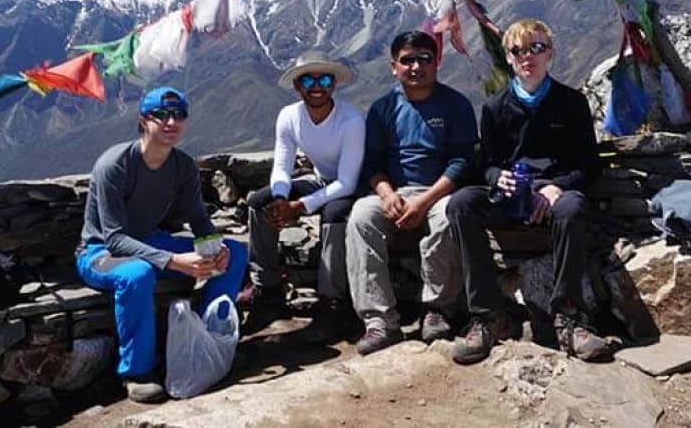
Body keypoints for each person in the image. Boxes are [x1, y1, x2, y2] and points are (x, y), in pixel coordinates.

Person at [447, 19, 612, 364]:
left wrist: (558, 187)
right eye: (518, 50)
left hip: (555, 192)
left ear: (550, 53)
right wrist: (498, 179)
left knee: (573, 208)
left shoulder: (572, 102)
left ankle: (569, 318)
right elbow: (487, 164)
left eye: (536, 47)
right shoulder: (495, 108)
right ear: (508, 57)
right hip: (513, 194)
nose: (528, 56)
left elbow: (589, 165)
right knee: (462, 203)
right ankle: (488, 316)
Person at [76, 87, 248, 404]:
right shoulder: (114, 165)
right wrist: (174, 261)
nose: (171, 122)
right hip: (100, 253)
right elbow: (113, 238)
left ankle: (212, 338)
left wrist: (214, 247)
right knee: (137, 274)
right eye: (161, 115)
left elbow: (198, 217)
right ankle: (137, 372)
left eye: (179, 115)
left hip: (149, 241)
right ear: (144, 119)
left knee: (236, 252)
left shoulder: (181, 166)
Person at [346, 30, 475, 355]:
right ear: (394, 66)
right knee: (361, 216)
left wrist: (424, 200)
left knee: (448, 216)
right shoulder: (383, 108)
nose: (416, 67)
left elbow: (462, 162)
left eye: (424, 59)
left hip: (438, 192)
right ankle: (380, 322)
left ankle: (437, 310)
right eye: (407, 60)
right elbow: (373, 163)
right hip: (395, 192)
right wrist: (387, 194)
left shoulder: (455, 105)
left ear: (437, 62)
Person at [243, 51, 365, 340]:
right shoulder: (289, 116)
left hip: (356, 184)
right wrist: (280, 197)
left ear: (334, 84)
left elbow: (347, 182)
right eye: (307, 80)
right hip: (321, 179)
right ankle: (268, 289)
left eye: (324, 78)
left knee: (335, 214)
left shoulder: (351, 120)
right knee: (259, 204)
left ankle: (333, 303)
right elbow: (282, 166)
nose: (316, 86)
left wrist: (301, 206)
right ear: (297, 86)